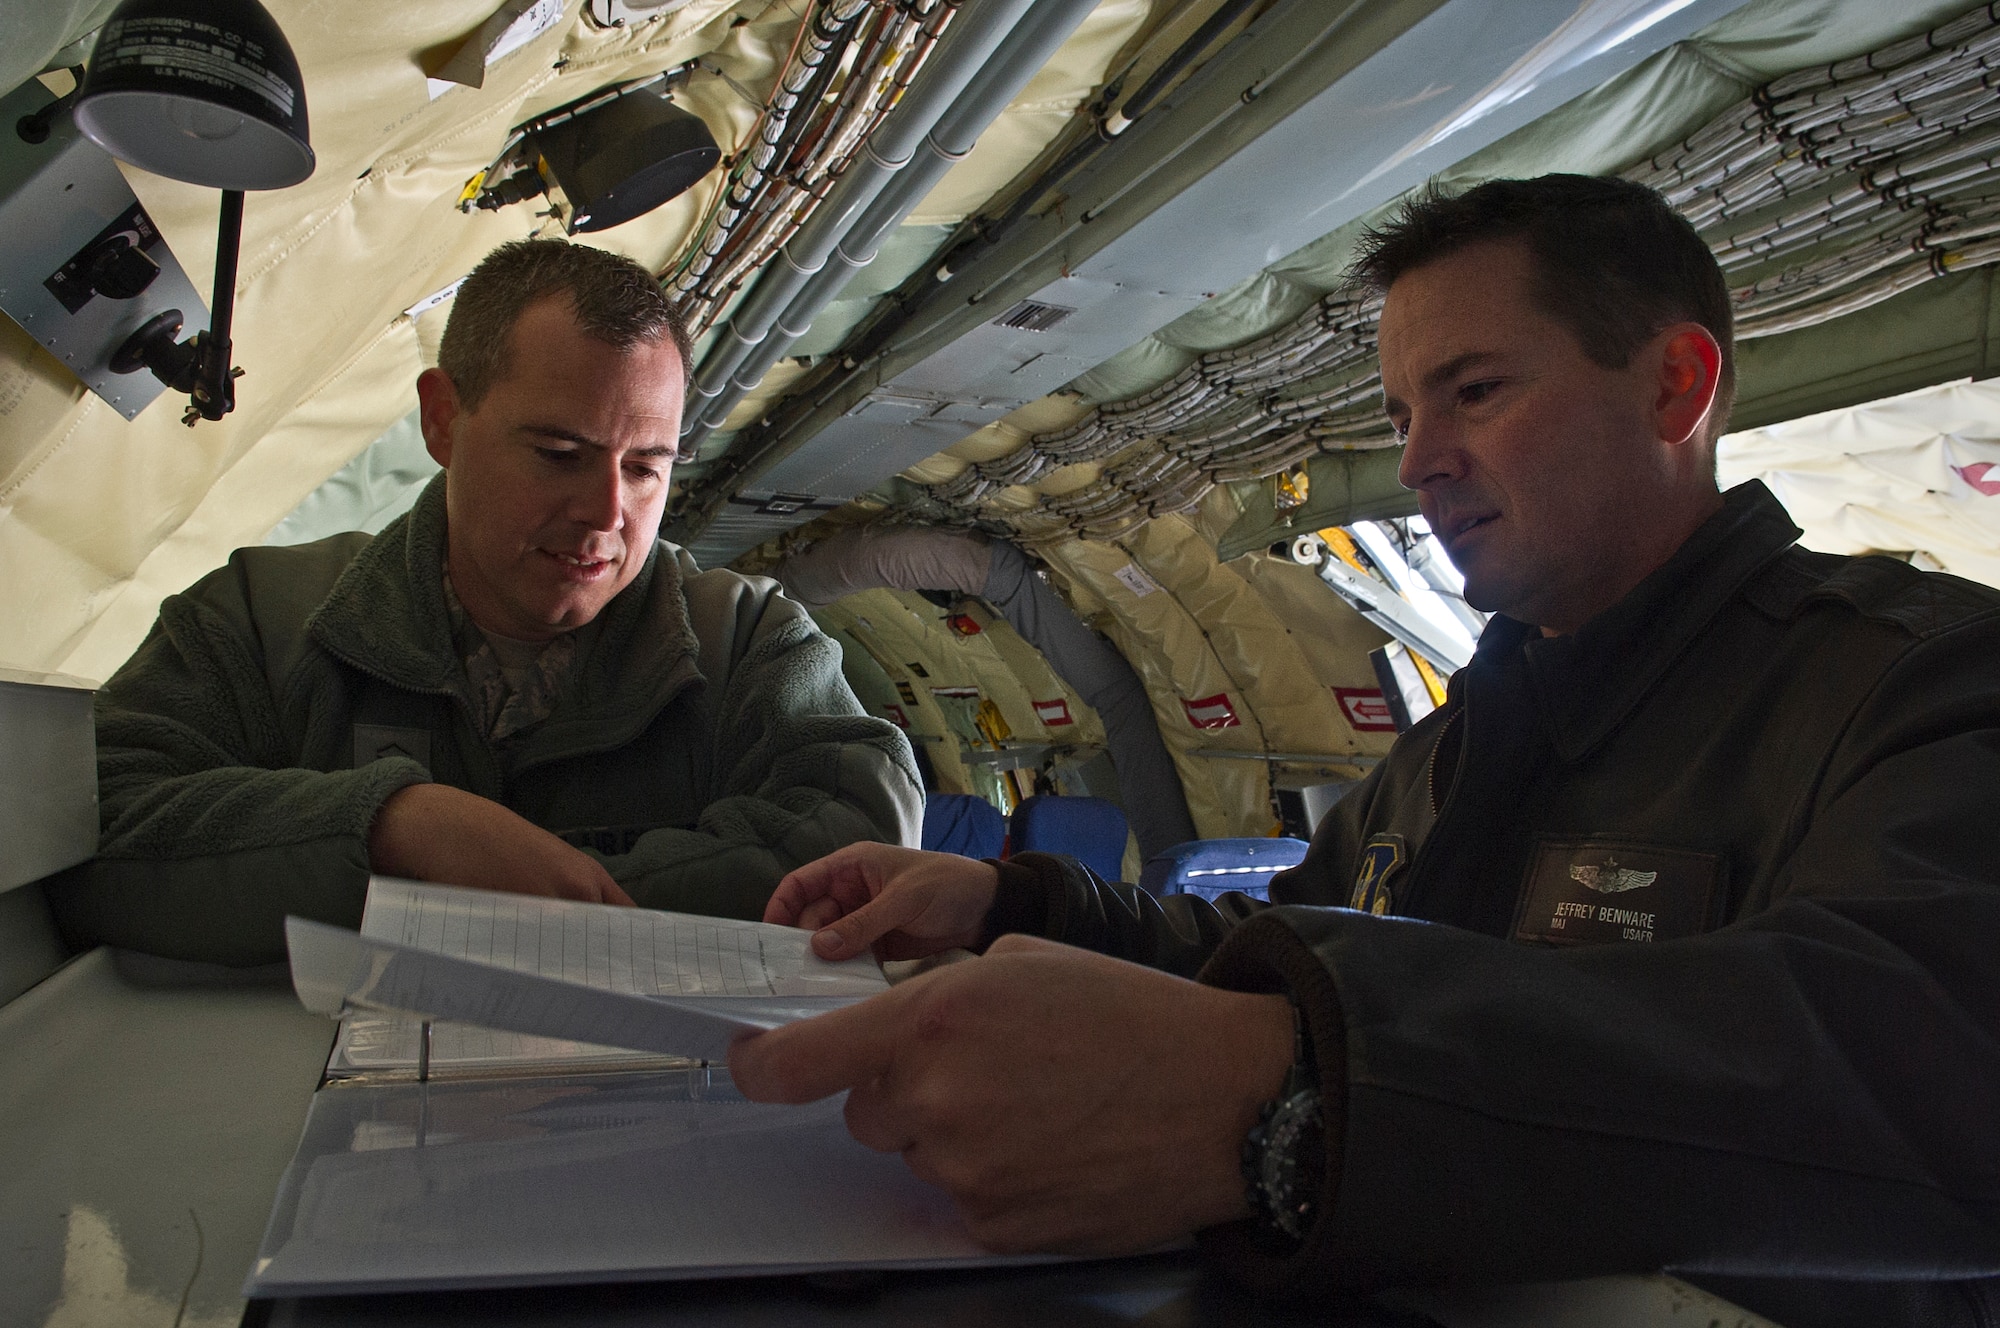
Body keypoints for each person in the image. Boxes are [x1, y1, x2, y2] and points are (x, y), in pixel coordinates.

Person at [729, 176, 2000, 1327]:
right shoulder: (1452, 746)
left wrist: (1292, 1093)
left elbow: (1927, 1054)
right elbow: (1269, 945)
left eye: (1476, 390)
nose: (1414, 460)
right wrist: (1016, 901)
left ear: (1674, 384)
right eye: (1399, 411)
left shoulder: (1923, 682)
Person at [49, 239, 923, 966]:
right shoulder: (257, 620)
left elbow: (860, 834)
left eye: (647, 467)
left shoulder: (749, 640)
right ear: (441, 421)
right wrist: (390, 825)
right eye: (558, 452)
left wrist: (487, 897)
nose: (607, 513)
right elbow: (84, 828)